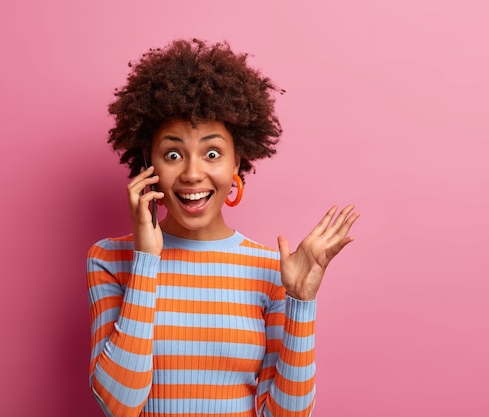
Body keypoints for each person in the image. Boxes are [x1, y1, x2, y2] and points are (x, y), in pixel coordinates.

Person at [86, 38, 359, 417]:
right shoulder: (110, 260)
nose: (193, 173)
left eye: (212, 153)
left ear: (237, 161)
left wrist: (300, 304)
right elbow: (119, 405)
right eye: (173, 154)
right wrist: (146, 260)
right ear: (149, 162)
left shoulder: (272, 270)